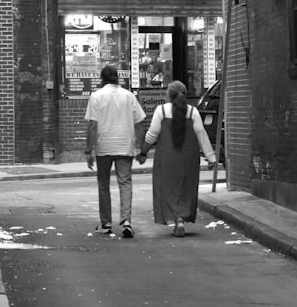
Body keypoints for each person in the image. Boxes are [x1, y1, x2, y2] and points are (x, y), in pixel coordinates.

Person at [137, 80, 217, 237]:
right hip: (189, 156)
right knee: (186, 187)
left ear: (168, 95)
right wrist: (211, 157)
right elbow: (201, 134)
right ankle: (182, 218)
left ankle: (176, 218)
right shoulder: (193, 112)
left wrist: (143, 153)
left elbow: (151, 135)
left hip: (167, 156)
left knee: (168, 188)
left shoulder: (162, 111)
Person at [84, 64, 147, 238]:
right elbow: (140, 123)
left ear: (101, 80)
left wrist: (88, 150)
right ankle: (126, 221)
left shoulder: (96, 96)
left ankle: (106, 223)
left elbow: (93, 125)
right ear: (117, 78)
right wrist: (140, 147)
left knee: (104, 185)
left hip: (104, 145)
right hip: (124, 144)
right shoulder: (129, 96)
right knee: (125, 183)